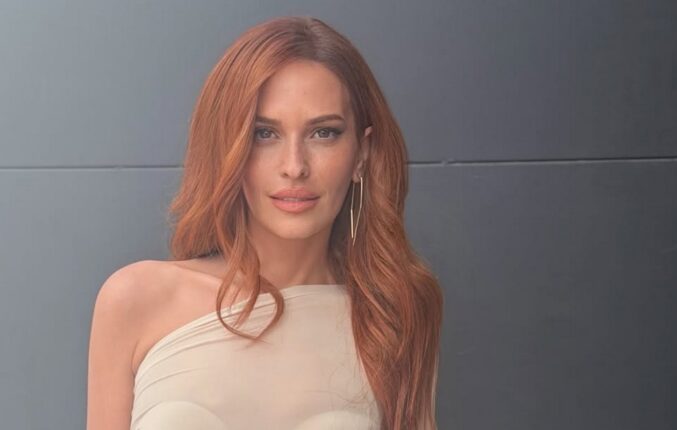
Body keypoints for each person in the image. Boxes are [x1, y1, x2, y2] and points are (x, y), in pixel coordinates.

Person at [87, 16, 443, 430]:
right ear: (228, 147)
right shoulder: (136, 300)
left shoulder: (394, 314)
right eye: (264, 134)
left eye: (324, 133)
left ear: (361, 154)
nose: (294, 166)